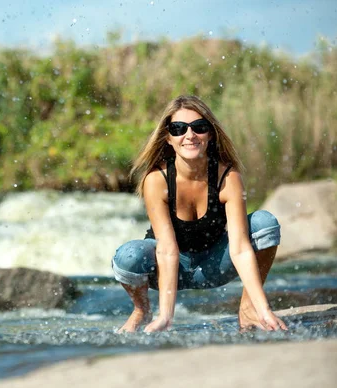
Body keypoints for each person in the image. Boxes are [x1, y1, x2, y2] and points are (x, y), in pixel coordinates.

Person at [112, 95, 288, 333]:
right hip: (169, 270)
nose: (190, 135)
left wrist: (263, 308)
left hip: (215, 265)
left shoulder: (228, 177)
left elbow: (240, 248)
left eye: (199, 127)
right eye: (178, 129)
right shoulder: (156, 180)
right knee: (128, 256)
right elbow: (166, 249)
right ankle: (141, 310)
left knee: (264, 223)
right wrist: (166, 316)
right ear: (168, 137)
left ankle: (247, 308)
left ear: (210, 134)